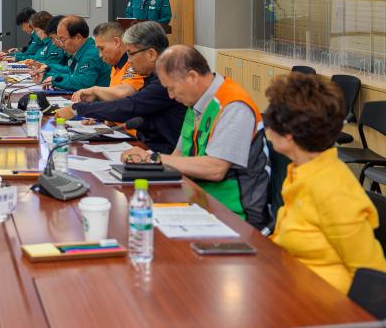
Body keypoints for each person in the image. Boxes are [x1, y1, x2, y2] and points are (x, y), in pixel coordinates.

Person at [123, 45, 270, 228]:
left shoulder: (234, 106)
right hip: (198, 202)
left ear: (192, 77)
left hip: (234, 216)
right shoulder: (196, 104)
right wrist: (141, 165)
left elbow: (215, 168)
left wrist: (153, 158)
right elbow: (178, 155)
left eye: (171, 88)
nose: (170, 96)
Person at [266, 73, 386, 293]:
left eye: (271, 121)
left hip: (324, 304)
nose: (267, 128)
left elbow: (372, 275)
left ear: (289, 134)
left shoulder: (333, 189)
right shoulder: (300, 172)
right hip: (289, 289)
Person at [56, 22, 185, 154]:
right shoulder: (152, 77)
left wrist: (78, 109)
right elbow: (143, 113)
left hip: (160, 154)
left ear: (151, 54)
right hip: (146, 148)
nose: (129, 60)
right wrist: (105, 115)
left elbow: (131, 105)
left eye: (131, 53)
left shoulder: (164, 83)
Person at [70, 22, 145, 104]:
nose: (100, 55)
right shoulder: (115, 65)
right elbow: (115, 98)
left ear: (116, 42)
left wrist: (94, 90)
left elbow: (125, 92)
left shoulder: (134, 64)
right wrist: (96, 96)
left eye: (101, 48)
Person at [32, 16, 109, 92]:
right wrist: (46, 75)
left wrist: (54, 80)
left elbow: (84, 82)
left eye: (63, 40)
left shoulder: (91, 53)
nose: (61, 44)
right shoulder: (83, 51)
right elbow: (71, 74)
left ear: (78, 37)